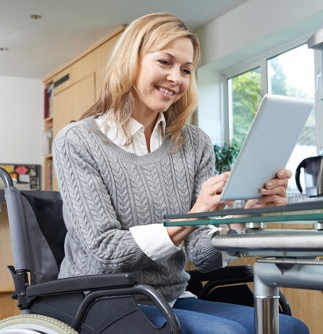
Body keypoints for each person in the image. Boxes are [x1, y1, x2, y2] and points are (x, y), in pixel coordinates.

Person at [52, 12, 309, 334]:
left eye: (186, 70)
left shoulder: (194, 143)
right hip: (102, 300)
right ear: (129, 62)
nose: (177, 78)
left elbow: (204, 258)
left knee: (290, 328)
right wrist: (194, 215)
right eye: (165, 62)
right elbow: (107, 252)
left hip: (172, 297)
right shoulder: (78, 140)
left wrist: (242, 218)